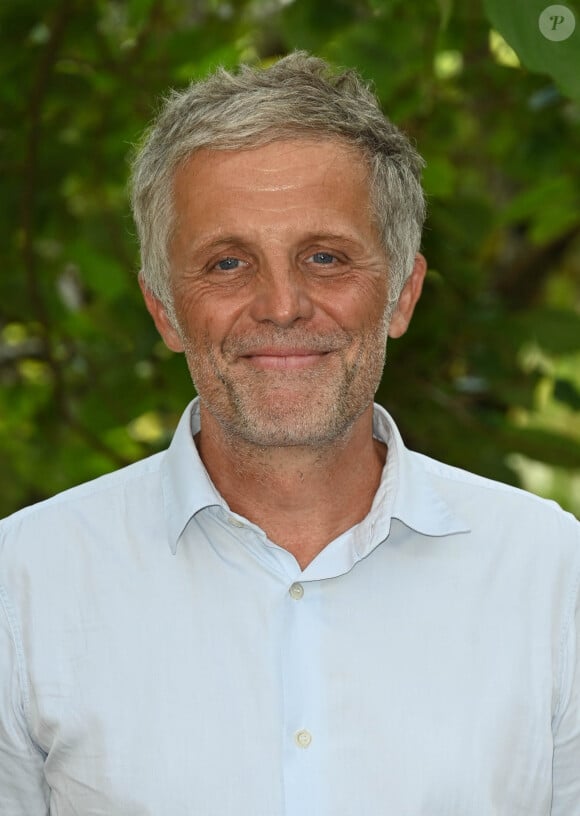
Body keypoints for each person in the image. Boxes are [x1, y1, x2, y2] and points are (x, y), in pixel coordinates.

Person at [1, 52, 579, 816]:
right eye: (229, 261)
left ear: (402, 295)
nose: (281, 305)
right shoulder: (24, 586)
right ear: (165, 309)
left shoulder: (552, 576)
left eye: (325, 256)